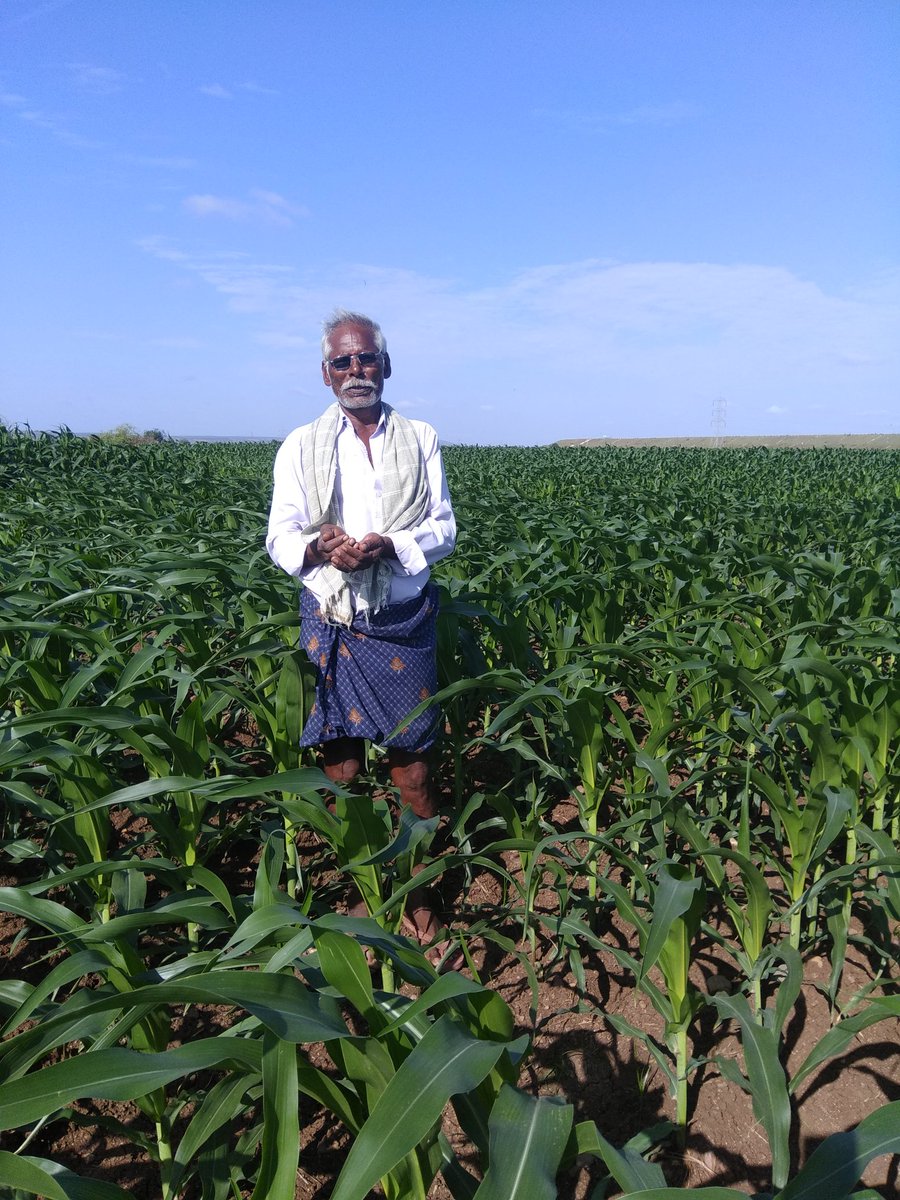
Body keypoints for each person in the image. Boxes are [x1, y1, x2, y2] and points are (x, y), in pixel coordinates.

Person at [266, 309, 456, 956]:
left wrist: (388, 545)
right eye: (343, 362)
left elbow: (443, 528)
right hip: (333, 619)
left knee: (413, 771)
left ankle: (421, 893)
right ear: (326, 373)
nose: (356, 371)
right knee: (341, 768)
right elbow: (280, 535)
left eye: (366, 358)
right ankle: (363, 887)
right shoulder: (300, 446)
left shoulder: (420, 437)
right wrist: (323, 548)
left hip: (402, 622)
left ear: (386, 365)